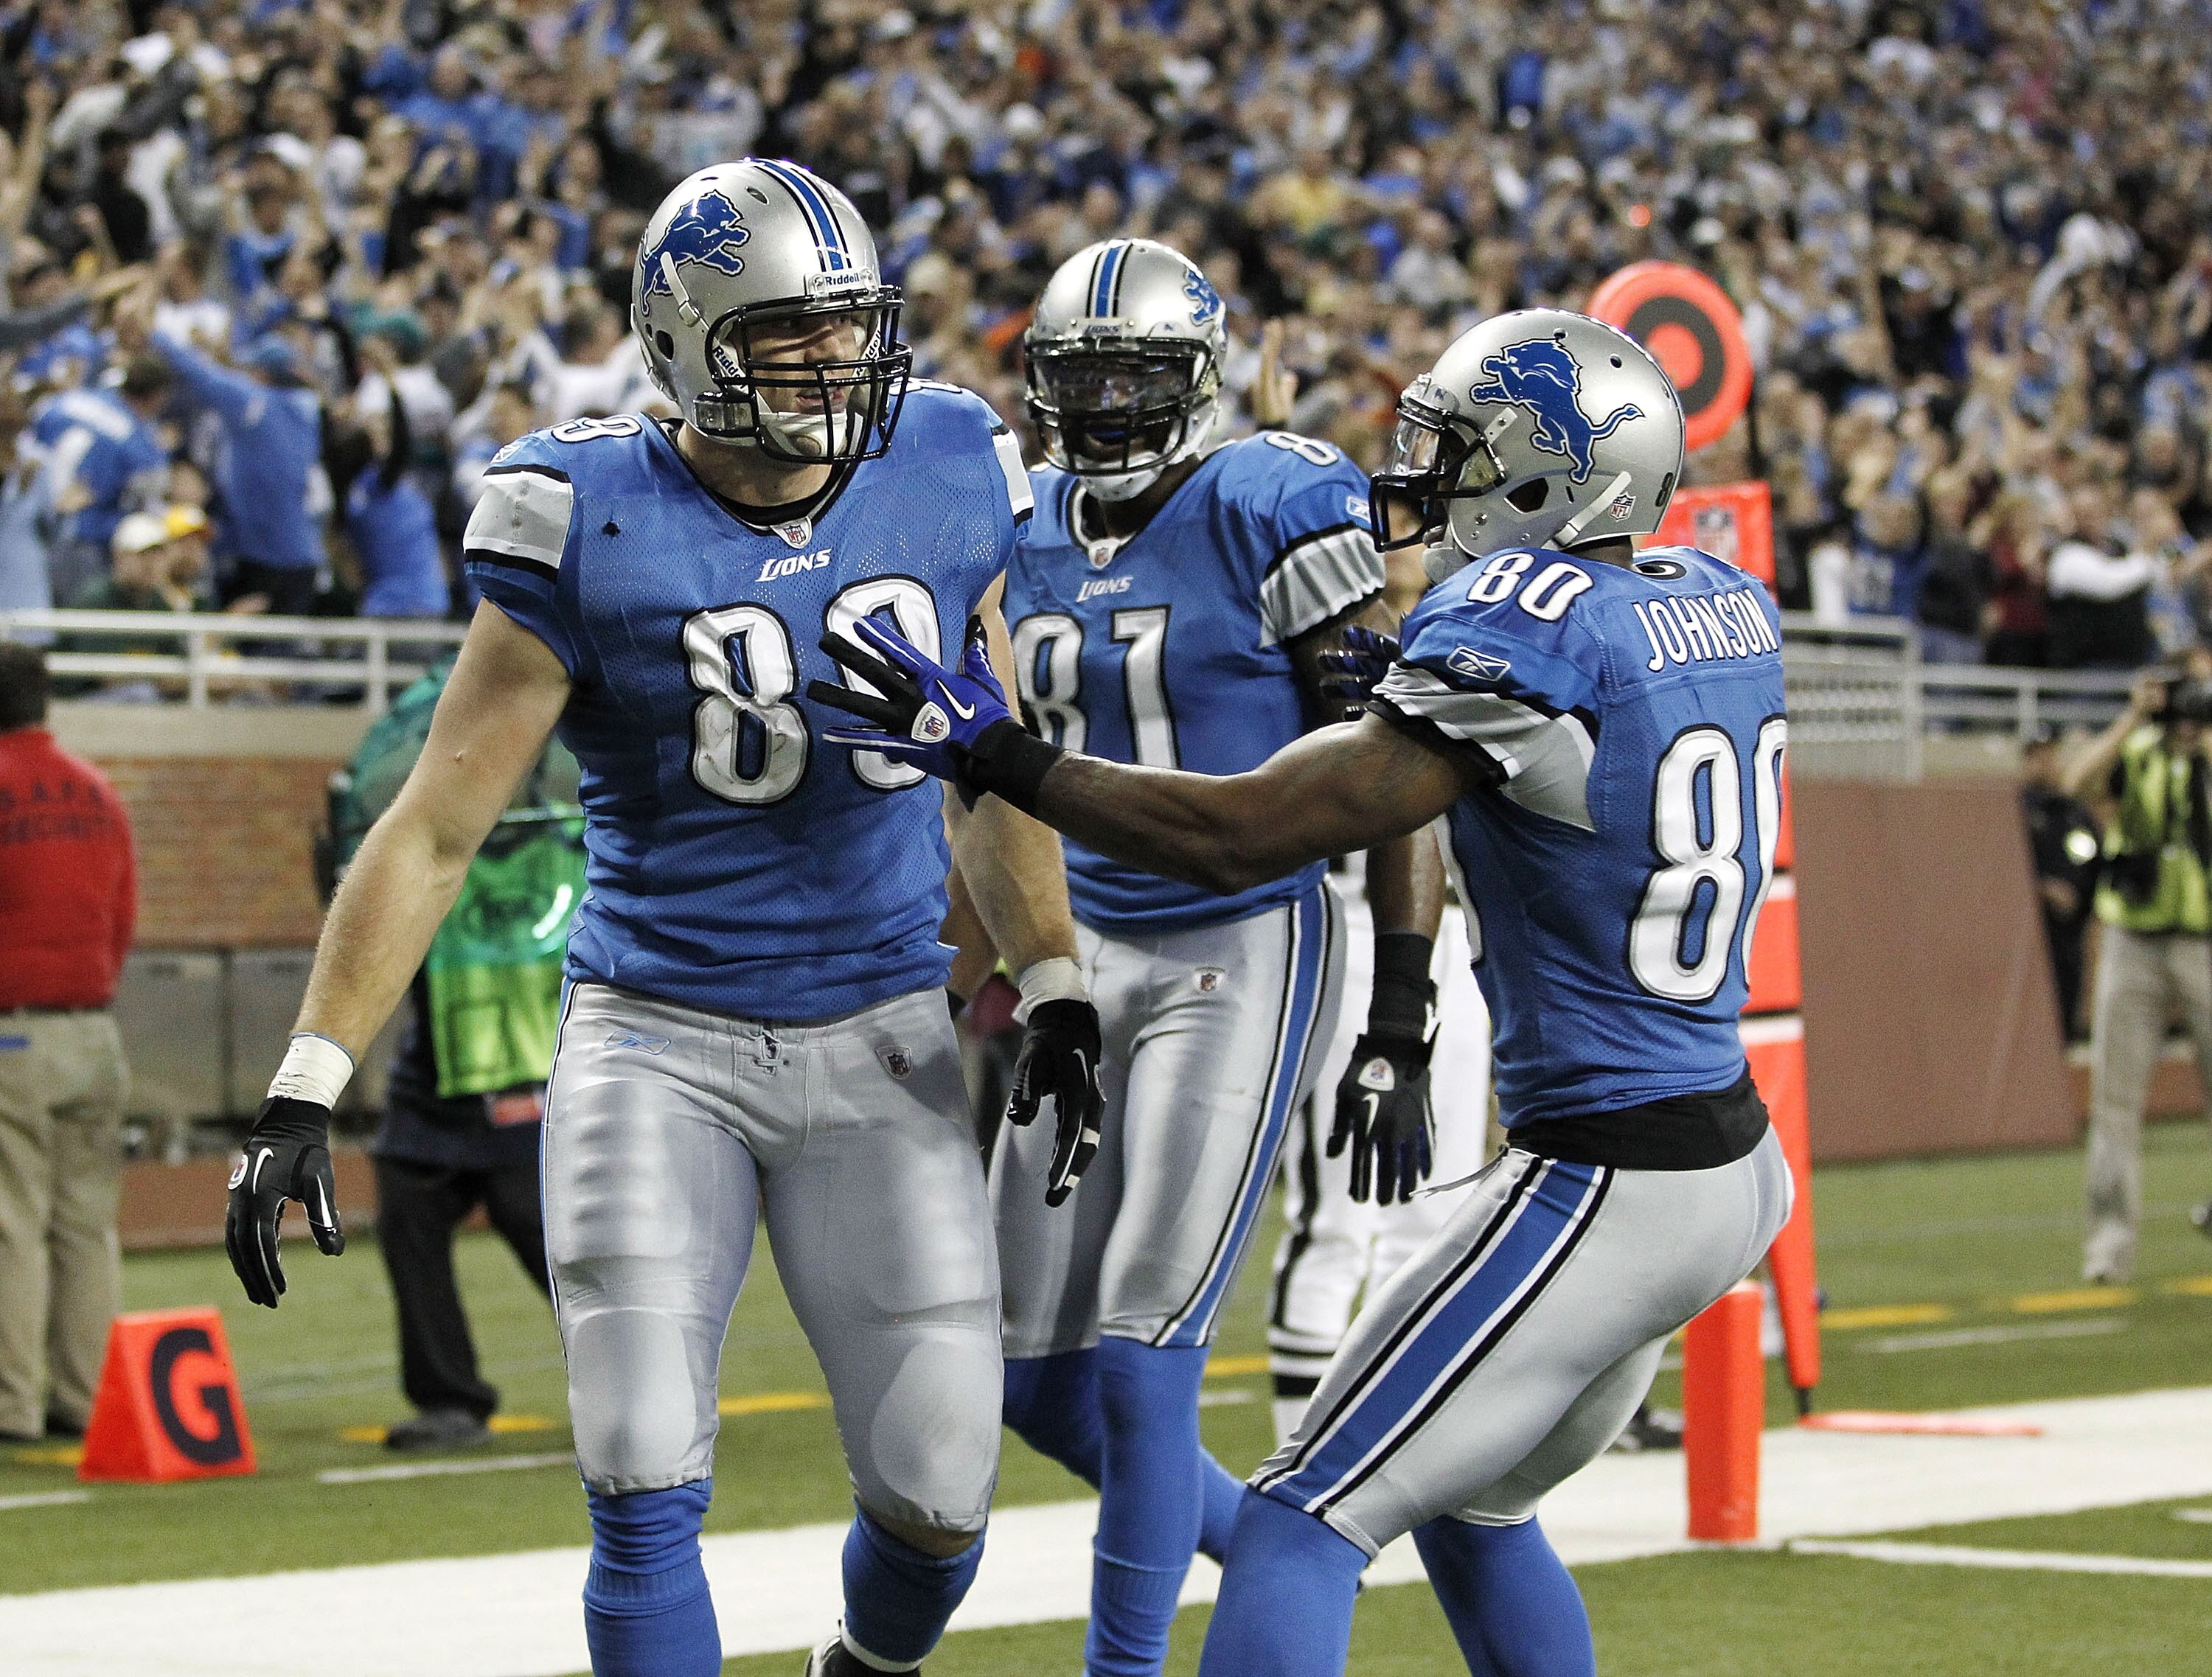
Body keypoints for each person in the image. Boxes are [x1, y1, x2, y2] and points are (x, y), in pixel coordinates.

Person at [218, 161, 1103, 1677]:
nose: (835, 365)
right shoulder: (581, 511)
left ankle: (864, 1664)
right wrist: (308, 1079)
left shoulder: (952, 457)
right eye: (787, 336)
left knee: (943, 1497)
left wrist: (1059, 979)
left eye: (847, 327)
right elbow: (434, 825)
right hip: (658, 1036)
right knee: (640, 1475)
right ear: (687, 343)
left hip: (880, 1027)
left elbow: (990, 761)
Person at [813, 308, 1793, 1677]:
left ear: (1544, 472)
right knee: (1472, 1509)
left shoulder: (1527, 627)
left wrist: (1001, 756)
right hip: (1724, 1153)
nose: (1424, 476)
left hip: (1610, 1174)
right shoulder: (1719, 603)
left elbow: (1247, 832)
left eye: (1459, 452)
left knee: (1294, 1524)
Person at [984, 238, 1439, 1677]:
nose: (1109, 404)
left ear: (1201, 377)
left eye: (1138, 375)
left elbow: (1388, 766)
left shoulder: (1273, 495)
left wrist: (1405, 1005)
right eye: (1083, 377)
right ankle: (1284, 1555)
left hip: (1240, 941)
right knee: (1030, 1378)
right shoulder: (1019, 513)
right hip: (1080, 949)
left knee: (1140, 1351)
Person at [0, 641, 136, 1443]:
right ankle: (85, 1400)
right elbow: (121, 919)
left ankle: (10, 1404)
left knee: (11, 1221)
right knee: (88, 1225)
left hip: (13, 1036)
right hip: (94, 1030)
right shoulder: (99, 793)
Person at [2063, 659, 2212, 1284]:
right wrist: (2130, 718)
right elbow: (2077, 782)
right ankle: (2110, 1246)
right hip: (2134, 940)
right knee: (2115, 1102)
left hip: (2204, 942)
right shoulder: (2140, 749)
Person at [114, 296, 324, 617]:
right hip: (300, 552)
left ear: (263, 374)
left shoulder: (256, 405)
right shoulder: (305, 411)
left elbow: (201, 376)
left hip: (265, 557)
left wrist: (156, 336)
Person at [2019, 728, 2100, 1042]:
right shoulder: (2016, 810)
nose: (2045, 762)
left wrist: (2078, 897)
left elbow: (2093, 860)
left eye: (2050, 754)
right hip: (2029, 929)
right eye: (2037, 755)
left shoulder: (2073, 812)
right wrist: (2041, 889)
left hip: (2068, 929)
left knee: (2066, 998)